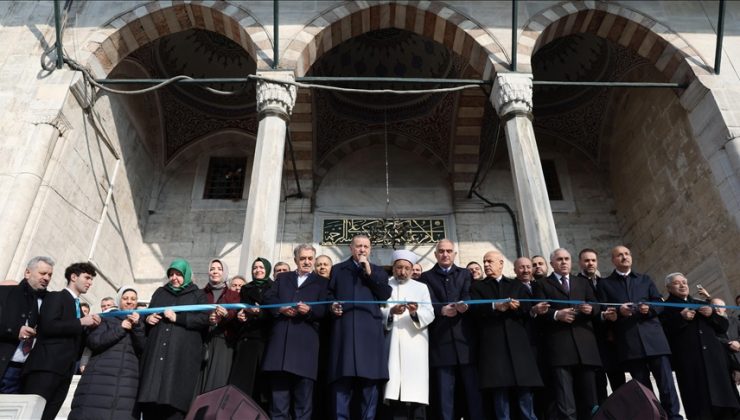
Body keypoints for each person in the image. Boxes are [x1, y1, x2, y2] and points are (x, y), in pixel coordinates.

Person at [597, 245, 681, 420]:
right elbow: (604, 309)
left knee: (667, 385)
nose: (624, 257)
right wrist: (619, 312)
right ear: (613, 260)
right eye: (619, 255)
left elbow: (660, 303)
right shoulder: (605, 284)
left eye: (627, 254)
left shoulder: (645, 279)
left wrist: (648, 309)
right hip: (630, 342)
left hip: (654, 340)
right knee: (642, 389)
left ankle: (674, 417)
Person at [21, 262, 102, 420]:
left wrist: (90, 329)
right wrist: (81, 322)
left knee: (48, 415)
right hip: (45, 368)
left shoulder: (77, 305)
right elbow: (48, 326)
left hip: (65, 371)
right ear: (73, 277)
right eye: (87, 277)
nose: (90, 283)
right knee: (30, 415)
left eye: (91, 279)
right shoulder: (55, 297)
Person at [471, 251, 542, 420]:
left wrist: (519, 307)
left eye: (490, 261)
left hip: (518, 345)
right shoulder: (477, 287)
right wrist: (496, 307)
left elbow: (528, 309)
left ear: (501, 263)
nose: (486, 265)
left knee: (524, 392)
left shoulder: (516, 285)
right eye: (484, 261)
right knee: (500, 393)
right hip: (493, 346)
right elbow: (474, 311)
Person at [418, 239, 483, 420]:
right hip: (441, 342)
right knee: (445, 395)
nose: (445, 254)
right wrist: (441, 310)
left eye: (449, 251)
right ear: (436, 254)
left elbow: (469, 294)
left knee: (473, 392)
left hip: (465, 342)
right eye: (441, 251)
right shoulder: (426, 278)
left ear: (454, 254)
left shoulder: (464, 274)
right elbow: (427, 302)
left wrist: (466, 305)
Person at [328, 234, 392, 420]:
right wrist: (332, 305)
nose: (362, 250)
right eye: (358, 246)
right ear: (351, 248)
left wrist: (369, 273)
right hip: (345, 334)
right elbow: (328, 294)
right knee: (342, 384)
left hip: (369, 336)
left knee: (369, 385)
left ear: (370, 249)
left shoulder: (378, 271)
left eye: (365, 246)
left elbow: (384, 294)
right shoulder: (339, 270)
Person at [660, 273, 740, 420]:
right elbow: (663, 333)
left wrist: (712, 314)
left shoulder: (700, 302)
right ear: (669, 288)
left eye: (684, 282)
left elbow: (723, 328)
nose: (683, 285)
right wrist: (680, 318)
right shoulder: (665, 308)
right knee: (700, 406)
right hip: (691, 365)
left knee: (727, 406)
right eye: (677, 283)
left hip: (716, 363)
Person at [262, 244, 329, 420]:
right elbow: (268, 298)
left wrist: (309, 311)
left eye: (310, 258)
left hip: (305, 350)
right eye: (302, 258)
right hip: (280, 350)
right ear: (295, 260)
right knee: (278, 405)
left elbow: (325, 310)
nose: (306, 262)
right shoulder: (283, 278)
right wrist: (280, 308)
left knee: (303, 406)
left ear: (314, 260)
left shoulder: (323, 283)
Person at [533, 248, 601, 419]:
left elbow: (596, 305)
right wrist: (557, 315)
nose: (564, 262)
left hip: (585, 348)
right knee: (566, 402)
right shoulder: (542, 284)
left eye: (567, 259)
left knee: (590, 400)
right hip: (559, 349)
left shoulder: (582, 282)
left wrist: (590, 308)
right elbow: (540, 313)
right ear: (552, 263)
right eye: (559, 259)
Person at [138, 259, 209, 420]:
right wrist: (148, 318)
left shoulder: (198, 294)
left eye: (178, 274)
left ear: (187, 275)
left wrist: (178, 318)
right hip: (156, 358)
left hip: (179, 359)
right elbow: (148, 313)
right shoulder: (160, 292)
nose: (174, 278)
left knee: (174, 405)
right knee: (150, 402)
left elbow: (204, 319)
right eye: (171, 274)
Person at [69, 286, 146, 420]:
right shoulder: (106, 318)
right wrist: (120, 328)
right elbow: (94, 342)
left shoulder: (140, 323)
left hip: (127, 382)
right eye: (125, 298)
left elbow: (143, 348)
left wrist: (137, 327)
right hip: (99, 378)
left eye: (133, 299)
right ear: (118, 300)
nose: (129, 302)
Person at [381, 250, 435, 419]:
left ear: (412, 270)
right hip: (392, 342)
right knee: (393, 391)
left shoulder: (421, 287)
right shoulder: (385, 285)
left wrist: (414, 313)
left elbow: (430, 313)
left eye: (406, 268)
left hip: (415, 344)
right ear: (393, 268)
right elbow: (379, 310)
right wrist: (391, 312)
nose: (402, 272)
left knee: (414, 392)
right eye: (398, 268)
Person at [576, 248, 624, 403]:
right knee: (598, 385)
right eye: (586, 260)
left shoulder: (607, 282)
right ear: (580, 263)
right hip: (589, 340)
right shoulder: (575, 283)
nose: (590, 263)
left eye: (593, 260)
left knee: (618, 382)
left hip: (610, 340)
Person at [0, 256, 53, 394]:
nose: (47, 278)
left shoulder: (49, 302)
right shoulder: (5, 293)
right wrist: (14, 330)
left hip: (23, 372)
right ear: (28, 272)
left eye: (50, 275)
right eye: (43, 273)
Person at [229, 258, 273, 409]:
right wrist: (241, 316)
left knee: (262, 388)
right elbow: (239, 308)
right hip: (247, 339)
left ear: (267, 269)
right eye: (255, 267)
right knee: (243, 385)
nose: (258, 270)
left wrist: (259, 313)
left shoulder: (273, 287)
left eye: (261, 267)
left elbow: (274, 312)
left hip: (265, 339)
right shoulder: (246, 288)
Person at [199, 258, 241, 393]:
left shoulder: (233, 295)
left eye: (219, 269)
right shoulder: (200, 293)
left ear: (225, 272)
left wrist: (226, 314)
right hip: (203, 339)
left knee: (217, 381)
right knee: (199, 380)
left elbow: (235, 314)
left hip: (223, 341)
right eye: (212, 269)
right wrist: (207, 318)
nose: (215, 272)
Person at [713, 297, 740, 385]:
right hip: (728, 365)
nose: (716, 309)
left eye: (718, 306)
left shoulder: (735, 320)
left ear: (724, 308)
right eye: (713, 307)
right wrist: (728, 343)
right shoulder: (711, 325)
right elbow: (713, 339)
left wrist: (738, 343)